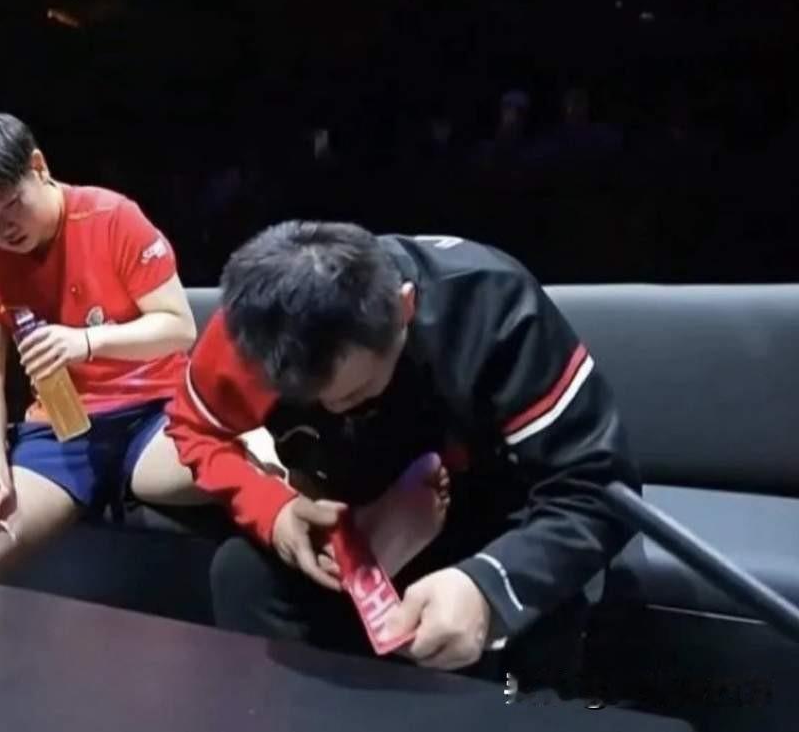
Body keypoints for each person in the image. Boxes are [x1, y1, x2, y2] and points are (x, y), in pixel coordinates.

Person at [166, 221, 639, 694]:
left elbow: (597, 488)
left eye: (355, 392)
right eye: (312, 399)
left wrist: (488, 586)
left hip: (499, 522)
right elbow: (194, 429)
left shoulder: (491, 308)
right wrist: (273, 510)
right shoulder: (249, 333)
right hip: (349, 514)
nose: (334, 409)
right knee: (243, 572)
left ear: (405, 308)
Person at [0, 113, 204, 579]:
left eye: (11, 205)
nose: (3, 230)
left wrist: (86, 342)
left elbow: (179, 328)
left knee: (263, 462)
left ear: (38, 166)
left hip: (158, 414)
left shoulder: (111, 215)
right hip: (60, 431)